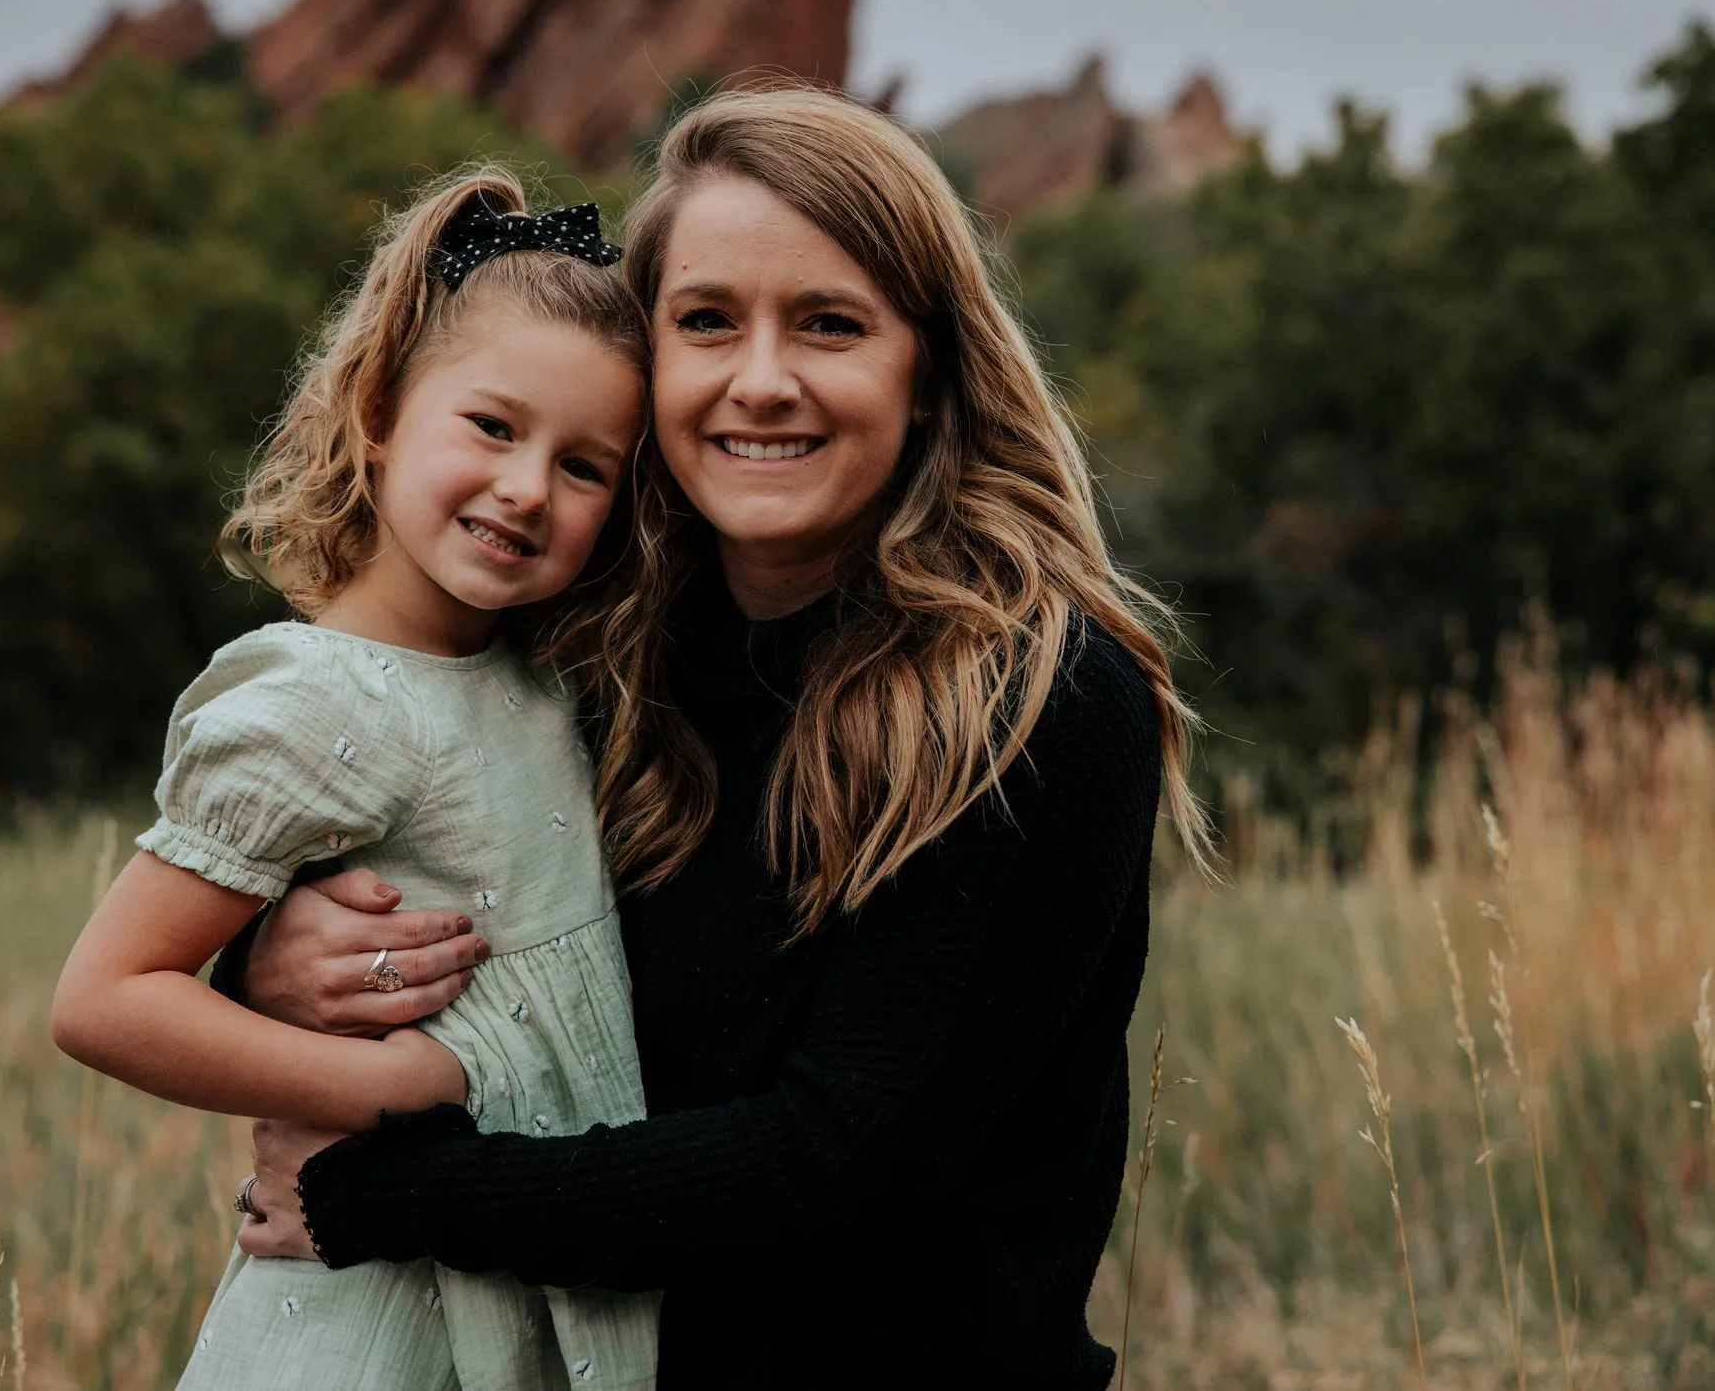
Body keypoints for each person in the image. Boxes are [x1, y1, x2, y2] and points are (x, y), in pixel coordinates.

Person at [221, 88, 1217, 1389]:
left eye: (829, 324)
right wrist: (272, 947)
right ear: (649, 373)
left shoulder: (1036, 697)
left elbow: (837, 1161)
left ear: (927, 370)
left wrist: (383, 1198)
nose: (760, 378)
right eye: (705, 322)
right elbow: (405, 868)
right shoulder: (598, 662)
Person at [50, 170, 660, 1391]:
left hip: (514, 1265)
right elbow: (106, 996)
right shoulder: (317, 699)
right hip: (375, 1314)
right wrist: (397, 1080)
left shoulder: (546, 679)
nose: (528, 487)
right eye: (491, 426)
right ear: (379, 410)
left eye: (585, 466)